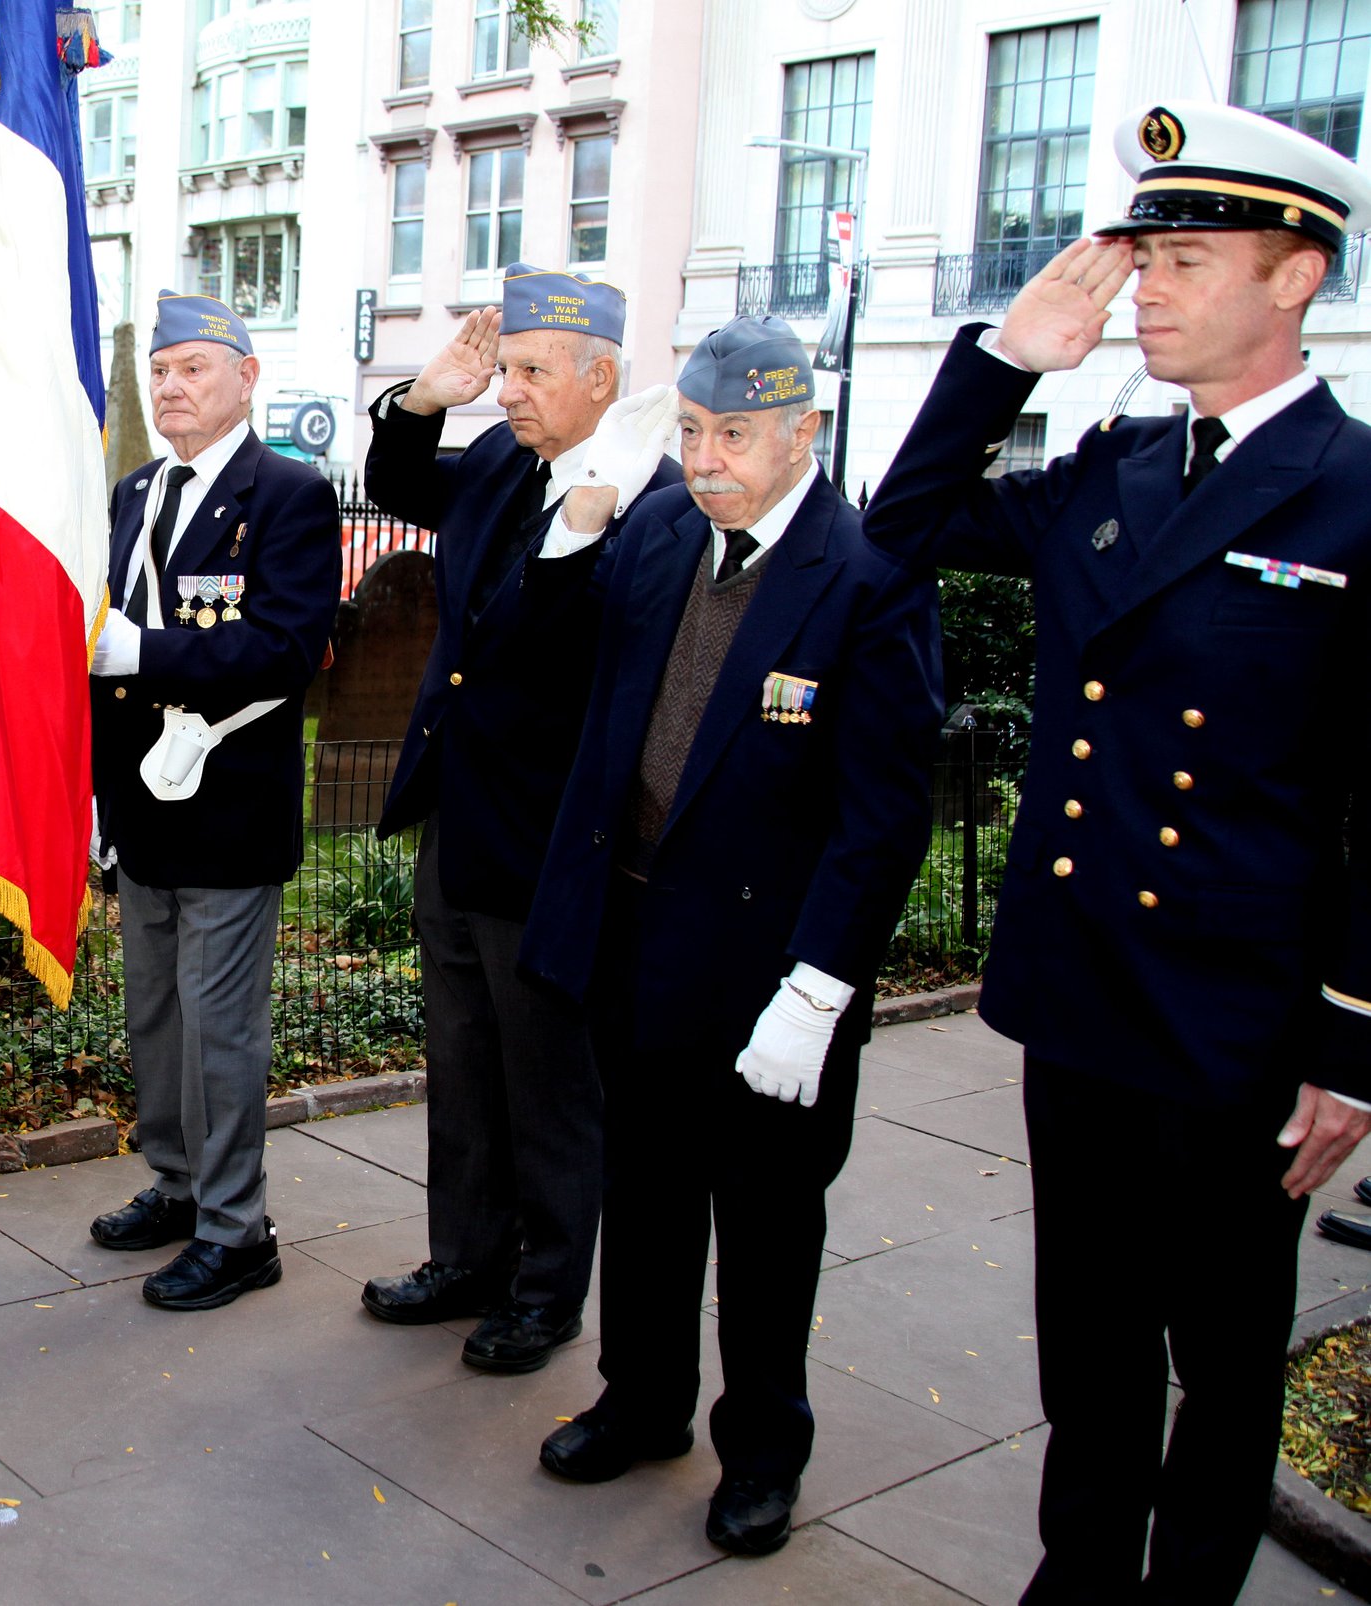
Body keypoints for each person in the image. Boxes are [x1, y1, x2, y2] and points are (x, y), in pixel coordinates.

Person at [862, 101, 1371, 1601]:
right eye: (1142, 258)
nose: (1144, 287)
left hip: (1240, 1015)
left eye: (1185, 259)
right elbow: (901, 531)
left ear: (1295, 277)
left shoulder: (1357, 493)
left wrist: (1353, 1042)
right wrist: (1004, 361)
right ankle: (1078, 1578)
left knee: (1220, 1352)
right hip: (1080, 986)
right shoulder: (1113, 467)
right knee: (1088, 1334)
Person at [525, 314, 941, 1555]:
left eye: (736, 435)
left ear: (802, 431)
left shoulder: (864, 575)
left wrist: (820, 990)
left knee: (765, 1224)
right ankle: (641, 1403)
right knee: (644, 1194)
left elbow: (880, 819)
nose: (708, 460)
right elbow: (563, 666)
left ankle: (762, 1448)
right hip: (639, 936)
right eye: (694, 432)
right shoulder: (658, 532)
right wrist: (574, 520)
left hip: (770, 975)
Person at [357, 267, 681, 1373]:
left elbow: (579, 647)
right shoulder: (502, 456)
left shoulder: (654, 497)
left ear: (603, 378)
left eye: (532, 373)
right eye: (506, 370)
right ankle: (466, 1256)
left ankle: (544, 1291)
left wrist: (581, 530)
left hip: (550, 835)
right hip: (459, 809)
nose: (512, 393)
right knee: (461, 1053)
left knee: (547, 1076)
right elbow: (399, 485)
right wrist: (424, 398)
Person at [84, 291, 341, 1311]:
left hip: (228, 805)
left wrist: (145, 650)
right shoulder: (137, 491)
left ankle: (239, 1230)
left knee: (218, 1029)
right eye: (162, 370)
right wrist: (98, 792)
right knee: (154, 1013)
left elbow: (286, 645)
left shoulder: (287, 494)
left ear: (245, 379)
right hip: (145, 802)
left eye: (194, 367)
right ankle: (180, 1182)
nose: (172, 386)